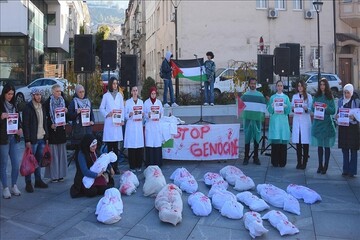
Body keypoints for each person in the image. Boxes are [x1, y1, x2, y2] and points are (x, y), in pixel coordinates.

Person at [70, 134, 114, 198]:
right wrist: (97, 175)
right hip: (86, 176)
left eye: (95, 145)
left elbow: (104, 158)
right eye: (93, 146)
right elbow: (84, 171)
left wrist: (110, 168)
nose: (95, 147)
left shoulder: (96, 151)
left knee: (104, 189)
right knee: (92, 192)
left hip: (98, 174)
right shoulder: (82, 154)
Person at [22, 88, 49, 193]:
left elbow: (44, 122)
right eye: (36, 95)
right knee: (29, 161)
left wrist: (46, 136)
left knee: (38, 161)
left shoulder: (42, 106)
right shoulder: (28, 108)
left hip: (41, 138)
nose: (38, 96)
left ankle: (38, 180)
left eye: (40, 95)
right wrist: (27, 139)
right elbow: (26, 125)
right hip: (32, 140)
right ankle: (28, 183)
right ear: (32, 95)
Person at [0, 83, 22, 199]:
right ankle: (5, 188)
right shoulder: (0, 105)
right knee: (3, 164)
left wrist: (20, 128)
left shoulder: (15, 105)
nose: (10, 96)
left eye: (12, 94)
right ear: (4, 93)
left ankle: (14, 185)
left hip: (13, 137)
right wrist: (1, 117)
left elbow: (19, 119)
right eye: (8, 94)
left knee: (15, 163)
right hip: (3, 139)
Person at [99, 77, 124, 174]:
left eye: (116, 83)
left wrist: (122, 120)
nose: (115, 85)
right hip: (110, 123)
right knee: (110, 148)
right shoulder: (106, 96)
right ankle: (110, 168)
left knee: (116, 148)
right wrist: (107, 114)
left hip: (117, 124)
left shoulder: (119, 96)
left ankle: (116, 167)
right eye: (113, 83)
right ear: (110, 84)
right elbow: (101, 108)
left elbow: (122, 108)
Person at [311, 78, 336, 174]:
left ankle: (326, 165)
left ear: (326, 85)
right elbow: (312, 108)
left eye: (324, 84)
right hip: (318, 123)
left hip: (327, 124)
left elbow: (333, 110)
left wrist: (326, 107)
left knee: (327, 146)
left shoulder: (330, 96)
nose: (322, 86)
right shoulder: (316, 96)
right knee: (320, 146)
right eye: (321, 84)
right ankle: (320, 165)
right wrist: (313, 107)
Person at [44, 84, 68, 182]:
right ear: (52, 92)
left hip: (61, 130)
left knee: (61, 153)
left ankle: (61, 174)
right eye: (57, 91)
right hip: (53, 131)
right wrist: (50, 125)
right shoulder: (48, 102)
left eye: (60, 91)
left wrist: (66, 111)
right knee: (53, 154)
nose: (59, 93)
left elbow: (69, 114)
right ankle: (53, 176)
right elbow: (45, 118)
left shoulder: (63, 101)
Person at [240, 78, 266, 165]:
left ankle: (256, 157)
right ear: (249, 84)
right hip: (248, 119)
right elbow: (240, 107)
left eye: (254, 84)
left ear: (256, 85)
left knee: (256, 137)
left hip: (257, 119)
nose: (253, 85)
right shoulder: (245, 95)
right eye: (251, 83)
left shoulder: (260, 95)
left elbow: (263, 107)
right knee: (247, 136)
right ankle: (246, 157)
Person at [335, 83, 359, 177]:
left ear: (352, 92)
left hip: (353, 129)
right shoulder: (341, 101)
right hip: (343, 128)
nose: (346, 94)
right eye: (345, 92)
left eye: (348, 92)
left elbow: (358, 114)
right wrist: (337, 116)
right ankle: (345, 169)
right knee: (345, 149)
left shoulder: (356, 101)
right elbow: (338, 112)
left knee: (353, 150)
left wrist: (354, 117)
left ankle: (352, 171)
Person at [68, 84, 94, 165]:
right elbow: (69, 116)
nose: (82, 94)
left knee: (88, 155)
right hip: (78, 133)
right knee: (79, 156)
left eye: (83, 92)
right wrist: (76, 113)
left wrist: (92, 121)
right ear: (76, 93)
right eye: (80, 92)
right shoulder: (73, 102)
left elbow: (92, 115)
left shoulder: (88, 102)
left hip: (87, 131)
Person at [267, 80, 291, 167]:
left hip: (283, 122)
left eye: (281, 86)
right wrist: (272, 106)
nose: (280, 87)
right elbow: (269, 110)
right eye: (278, 85)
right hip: (275, 121)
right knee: (275, 141)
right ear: (276, 87)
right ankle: (274, 161)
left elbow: (288, 111)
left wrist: (286, 107)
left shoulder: (286, 98)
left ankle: (282, 161)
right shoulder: (273, 97)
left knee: (283, 141)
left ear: (283, 87)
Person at [291, 80, 313, 170]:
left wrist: (306, 108)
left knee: (305, 143)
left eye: (301, 86)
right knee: (298, 143)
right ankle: (298, 162)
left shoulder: (309, 97)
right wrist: (293, 108)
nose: (300, 87)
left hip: (305, 121)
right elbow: (292, 107)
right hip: (297, 121)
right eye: (298, 86)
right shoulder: (294, 96)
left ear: (304, 87)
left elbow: (310, 109)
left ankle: (304, 162)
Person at [124, 86, 144, 172]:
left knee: (139, 147)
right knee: (132, 147)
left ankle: (138, 165)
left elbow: (143, 113)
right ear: (131, 92)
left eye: (136, 90)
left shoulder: (141, 102)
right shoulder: (128, 102)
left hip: (138, 126)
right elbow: (124, 115)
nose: (135, 92)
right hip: (131, 126)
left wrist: (142, 114)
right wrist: (129, 114)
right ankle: (132, 166)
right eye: (133, 90)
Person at [143, 87, 164, 167]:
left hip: (157, 125)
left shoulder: (159, 102)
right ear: (150, 94)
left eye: (154, 93)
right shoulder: (146, 103)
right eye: (152, 93)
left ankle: (158, 163)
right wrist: (147, 115)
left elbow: (162, 112)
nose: (153, 95)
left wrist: (159, 115)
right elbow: (143, 113)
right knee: (150, 144)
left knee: (157, 144)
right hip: (150, 125)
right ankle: (150, 163)